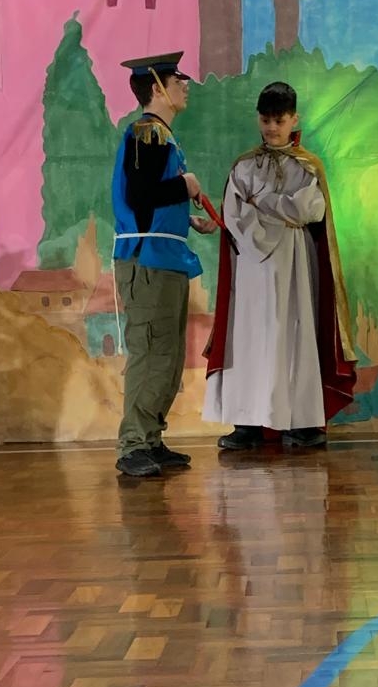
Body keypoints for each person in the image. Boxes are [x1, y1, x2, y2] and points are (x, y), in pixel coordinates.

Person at [203, 81, 357, 449]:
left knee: (294, 335)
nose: (272, 128)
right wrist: (281, 210)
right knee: (250, 336)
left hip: (294, 266)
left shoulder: (308, 166)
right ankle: (247, 423)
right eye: (266, 120)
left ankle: (298, 421)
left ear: (294, 119)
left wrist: (263, 202)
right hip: (252, 267)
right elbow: (234, 214)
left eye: (279, 120)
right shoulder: (244, 166)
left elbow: (311, 210)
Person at [111, 52, 218, 477]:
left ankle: (151, 439)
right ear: (157, 88)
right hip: (148, 262)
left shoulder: (163, 136)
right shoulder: (147, 132)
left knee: (167, 357)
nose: (185, 85)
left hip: (167, 257)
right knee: (151, 353)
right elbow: (139, 195)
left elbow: (149, 202)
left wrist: (186, 218)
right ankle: (133, 445)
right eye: (178, 79)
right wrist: (184, 186)